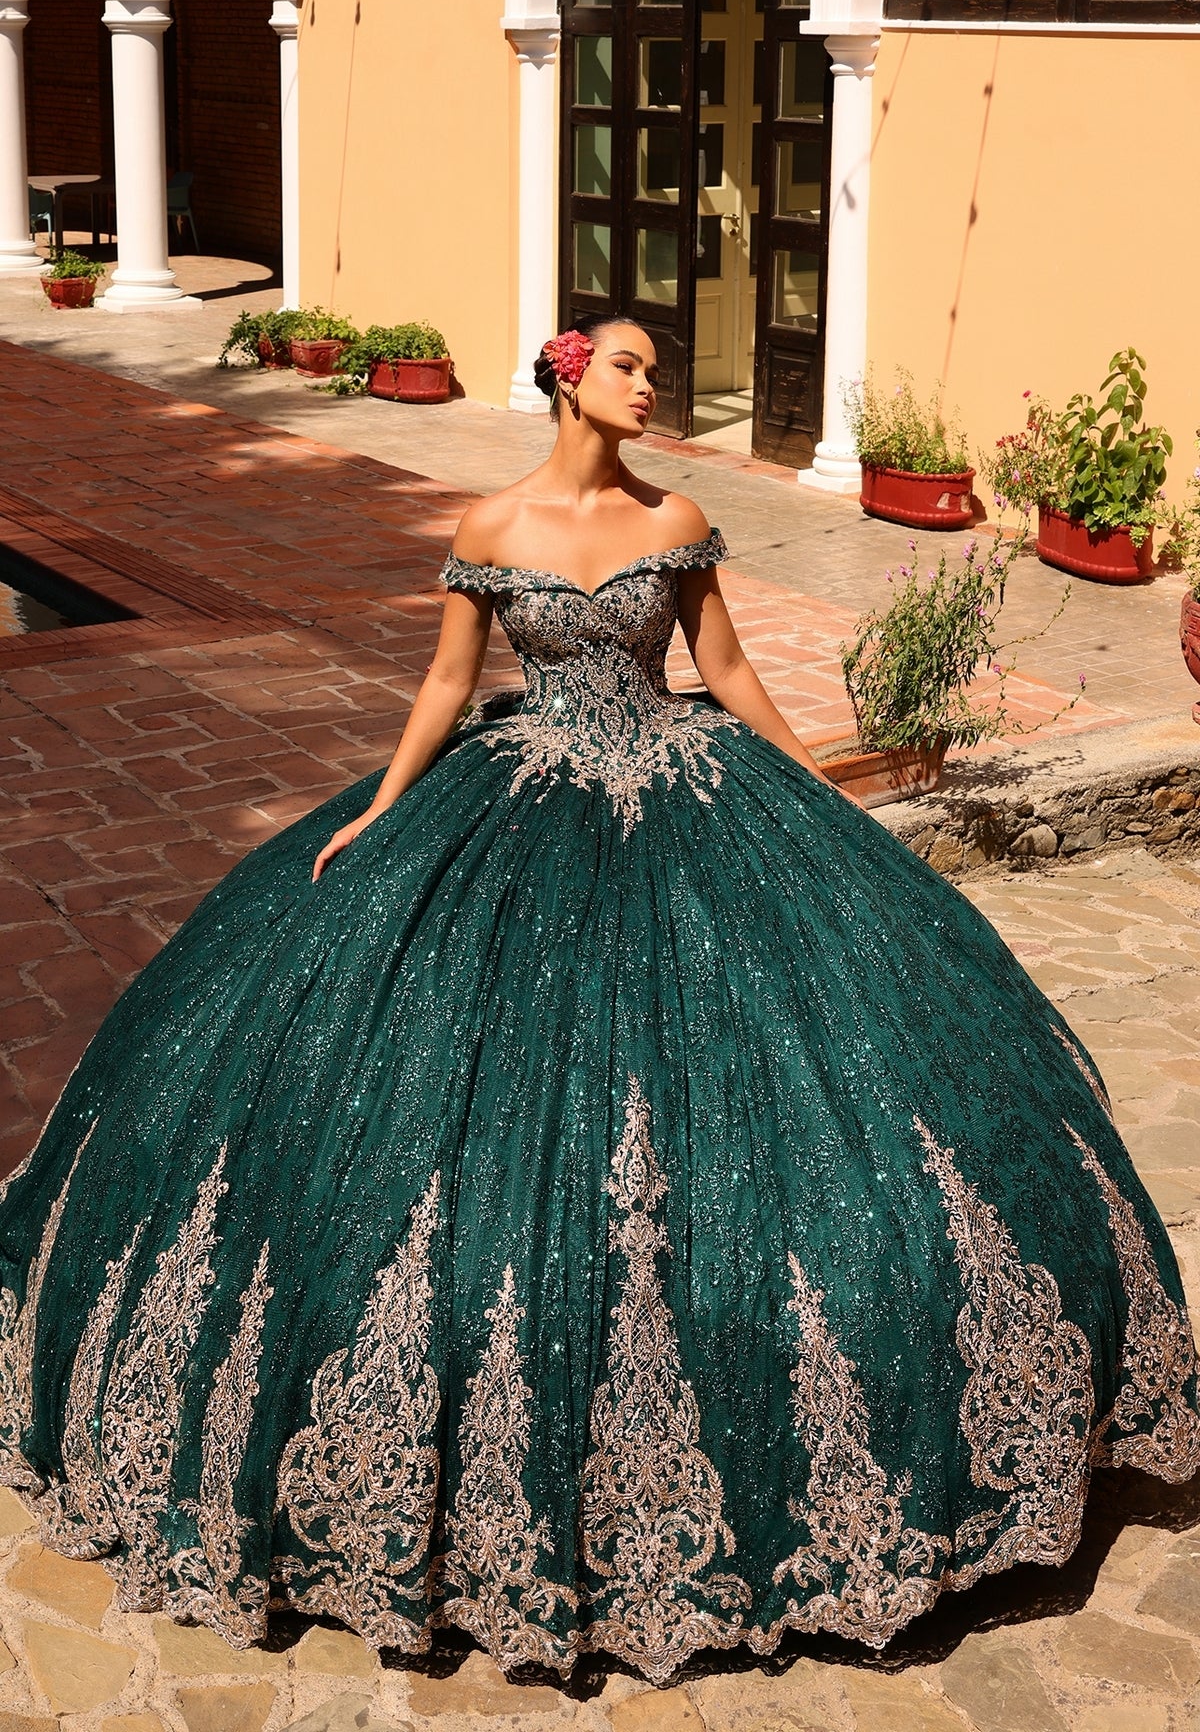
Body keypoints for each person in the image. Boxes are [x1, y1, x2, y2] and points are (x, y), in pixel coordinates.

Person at [1, 314, 1196, 1689]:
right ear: (572, 376)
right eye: (630, 365)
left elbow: (727, 671)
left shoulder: (676, 514)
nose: (651, 385)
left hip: (691, 799)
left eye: (654, 370)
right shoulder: (492, 523)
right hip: (519, 805)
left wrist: (824, 798)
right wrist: (379, 815)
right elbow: (449, 682)